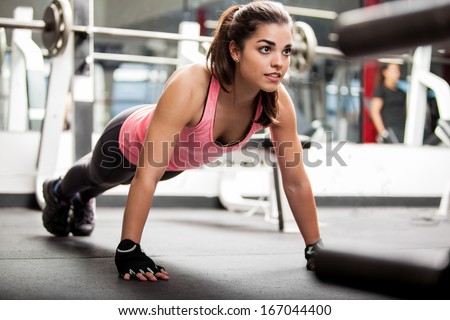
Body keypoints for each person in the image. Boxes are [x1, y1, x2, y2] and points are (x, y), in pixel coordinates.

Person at [41, 0, 322, 282]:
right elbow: (147, 174)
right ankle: (58, 191)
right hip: (125, 139)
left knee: (118, 180)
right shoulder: (192, 83)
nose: (279, 62)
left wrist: (315, 247)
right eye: (265, 49)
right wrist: (129, 247)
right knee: (99, 173)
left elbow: (295, 180)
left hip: (174, 163)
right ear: (235, 50)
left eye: (286, 51)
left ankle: (85, 198)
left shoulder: (277, 101)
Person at [370, 63, 407, 143]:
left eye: (398, 71)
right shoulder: (380, 90)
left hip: (403, 129)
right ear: (385, 72)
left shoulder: (402, 93)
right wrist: (383, 132)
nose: (397, 74)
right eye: (394, 71)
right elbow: (374, 112)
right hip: (390, 129)